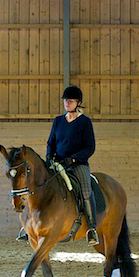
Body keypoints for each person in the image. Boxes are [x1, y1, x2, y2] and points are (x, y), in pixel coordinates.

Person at [40, 85, 98, 245]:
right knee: (40, 183)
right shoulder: (58, 121)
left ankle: (92, 228)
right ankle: (31, 225)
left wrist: (73, 159)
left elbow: (90, 147)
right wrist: (48, 156)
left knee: (86, 189)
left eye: (70, 101)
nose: (67, 103)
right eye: (65, 100)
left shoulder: (85, 122)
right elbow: (51, 141)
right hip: (57, 163)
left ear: (78, 103)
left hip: (77, 164)